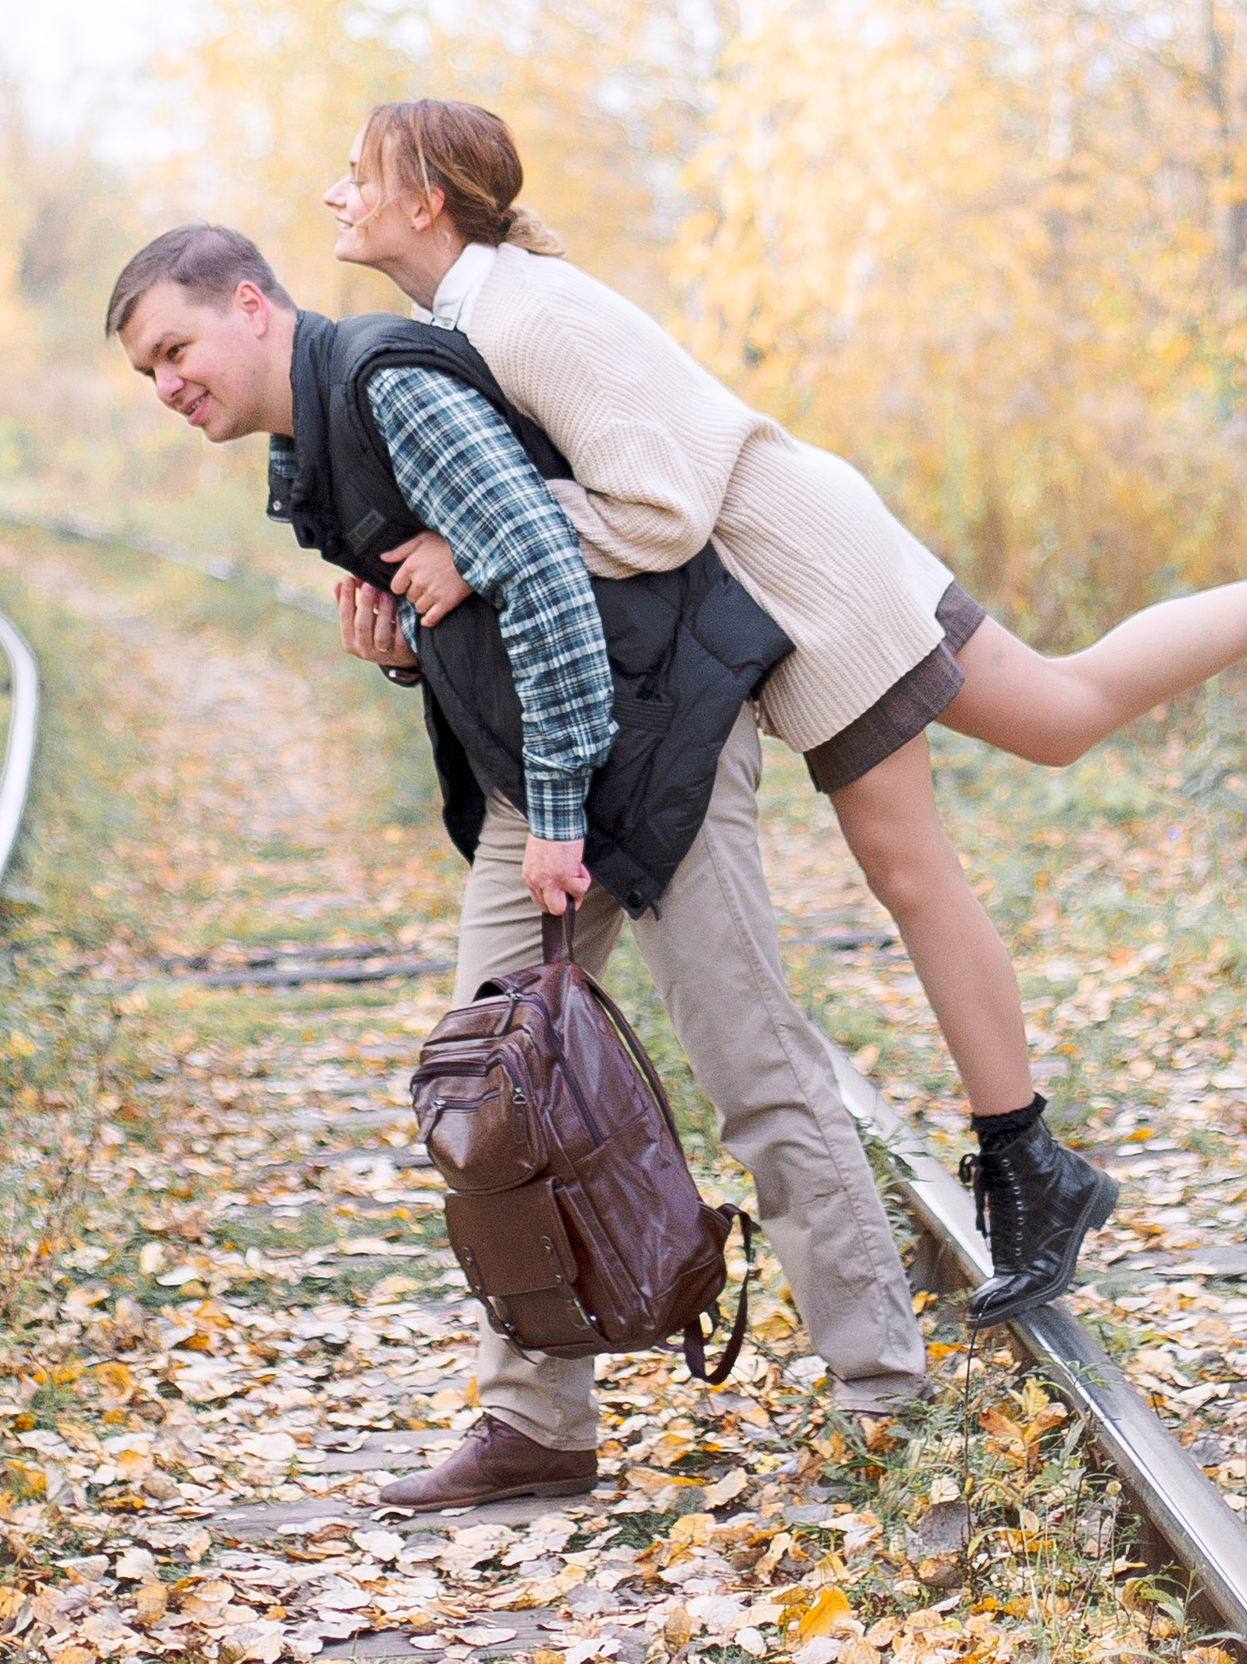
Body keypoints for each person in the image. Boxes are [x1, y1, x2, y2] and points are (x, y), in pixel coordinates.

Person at [319, 97, 1247, 1321]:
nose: (338, 195)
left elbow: (659, 512)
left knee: (914, 866)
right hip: (802, 534)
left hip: (796, 570)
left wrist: (484, 545)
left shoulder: (527, 313)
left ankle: (1028, 1162)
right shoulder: (482, 310)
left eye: (360, 175)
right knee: (1059, 711)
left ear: (427, 199)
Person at [106, 222, 931, 1510]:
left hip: (651, 736)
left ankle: (884, 1397)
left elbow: (543, 572)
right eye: (146, 371)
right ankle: (536, 1422)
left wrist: (553, 813)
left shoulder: (383, 385)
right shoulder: (308, 448)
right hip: (544, 763)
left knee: (755, 1071)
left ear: (251, 306)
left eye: (175, 348)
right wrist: (406, 648)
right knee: (491, 1093)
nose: (166, 384)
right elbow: (488, 597)